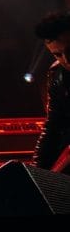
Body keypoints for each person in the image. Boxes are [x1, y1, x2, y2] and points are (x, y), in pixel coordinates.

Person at [32, 12, 70, 174]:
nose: (67, 60)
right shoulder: (57, 75)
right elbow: (53, 127)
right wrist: (36, 173)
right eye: (58, 54)